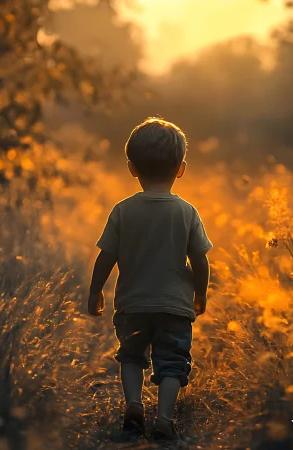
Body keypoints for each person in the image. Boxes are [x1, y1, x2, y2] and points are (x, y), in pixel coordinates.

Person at [87, 117, 212, 441]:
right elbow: (199, 258)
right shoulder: (187, 212)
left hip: (133, 305)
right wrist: (200, 292)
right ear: (181, 169)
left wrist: (96, 291)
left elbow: (107, 256)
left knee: (131, 356)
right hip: (174, 306)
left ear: (131, 167)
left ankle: (133, 407)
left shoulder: (123, 210)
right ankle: (164, 419)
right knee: (172, 362)